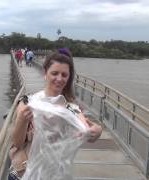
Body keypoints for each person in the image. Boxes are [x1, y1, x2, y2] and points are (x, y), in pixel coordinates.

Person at [8, 48, 103, 180]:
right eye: (55, 73)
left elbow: (87, 131)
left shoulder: (71, 108)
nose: (59, 79)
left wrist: (97, 131)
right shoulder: (28, 103)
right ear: (45, 73)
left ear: (69, 78)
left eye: (64, 75)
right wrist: (22, 120)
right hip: (24, 173)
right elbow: (17, 143)